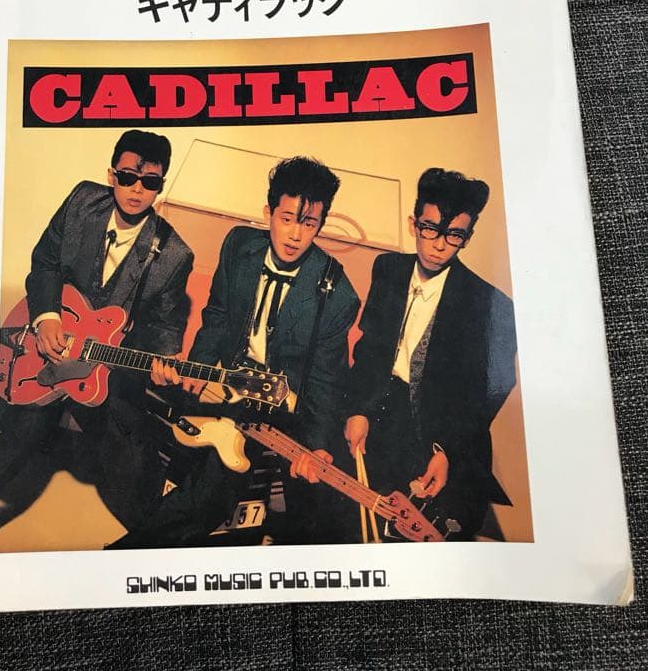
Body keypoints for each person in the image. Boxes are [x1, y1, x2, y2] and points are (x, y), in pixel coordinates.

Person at [114, 155, 361, 548]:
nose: (295, 235)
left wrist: (316, 446)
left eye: (309, 223)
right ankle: (131, 551)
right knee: (134, 416)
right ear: (268, 212)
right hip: (226, 385)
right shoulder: (239, 245)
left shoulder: (338, 294)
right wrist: (198, 367)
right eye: (286, 219)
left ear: (321, 224)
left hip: (285, 409)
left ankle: (129, 553)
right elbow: (217, 316)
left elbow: (326, 383)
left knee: (233, 495)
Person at [0, 129, 194, 530]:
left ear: (161, 186)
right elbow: (46, 262)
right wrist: (47, 317)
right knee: (17, 443)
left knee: (134, 485)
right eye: (128, 177)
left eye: (150, 182)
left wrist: (164, 360)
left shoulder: (174, 254)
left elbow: (164, 325)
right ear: (111, 175)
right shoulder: (81, 201)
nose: (136, 190)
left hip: (107, 371)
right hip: (44, 351)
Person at [344, 167, 517, 540]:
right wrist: (359, 409)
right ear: (414, 224)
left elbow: (493, 389)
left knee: (431, 537)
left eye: (454, 235)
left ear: (467, 238)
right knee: (360, 521)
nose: (439, 244)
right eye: (430, 229)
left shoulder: (491, 304)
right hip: (384, 413)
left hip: (444, 429)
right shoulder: (388, 269)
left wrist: (448, 451)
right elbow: (369, 350)